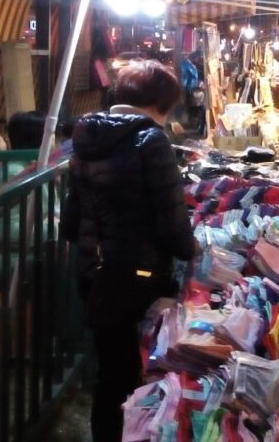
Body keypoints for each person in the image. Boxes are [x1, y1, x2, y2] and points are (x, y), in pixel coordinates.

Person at [61, 61, 197, 442]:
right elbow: (173, 224)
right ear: (162, 102)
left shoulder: (87, 137)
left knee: (111, 373)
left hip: (96, 272)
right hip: (139, 277)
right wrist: (194, 250)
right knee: (143, 373)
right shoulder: (151, 142)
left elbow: (73, 218)